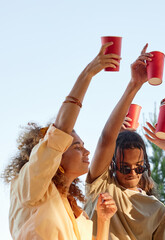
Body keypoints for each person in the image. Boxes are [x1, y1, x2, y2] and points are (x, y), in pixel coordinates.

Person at [3, 42, 118, 240]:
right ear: (56, 155)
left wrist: (104, 219)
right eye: (77, 146)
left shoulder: (76, 213)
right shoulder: (31, 186)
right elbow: (59, 132)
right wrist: (87, 74)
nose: (86, 152)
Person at [84, 44, 165, 240]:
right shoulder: (102, 186)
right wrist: (134, 84)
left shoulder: (157, 210)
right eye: (125, 168)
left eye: (139, 166)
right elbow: (106, 139)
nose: (133, 173)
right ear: (113, 164)